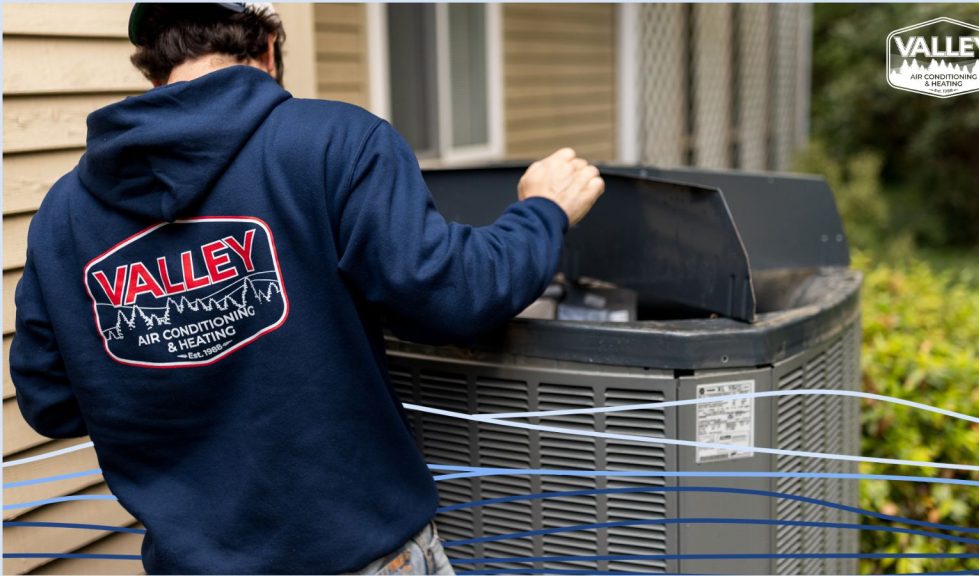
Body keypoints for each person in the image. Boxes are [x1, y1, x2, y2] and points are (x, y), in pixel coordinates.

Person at [8, 3, 604, 574]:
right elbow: (453, 295)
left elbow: (50, 399)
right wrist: (543, 211)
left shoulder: (64, 213)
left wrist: (171, 349)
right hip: (358, 557)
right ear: (268, 46)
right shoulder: (335, 142)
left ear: (154, 65)